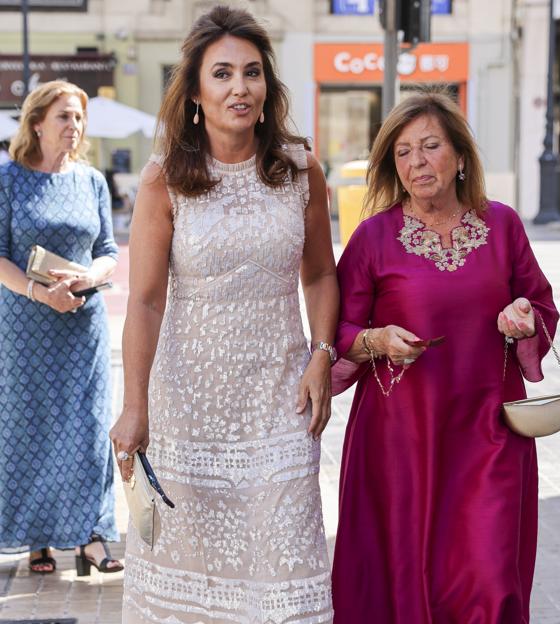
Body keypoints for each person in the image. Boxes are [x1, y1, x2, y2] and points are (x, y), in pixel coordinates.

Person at [109, 6, 338, 623]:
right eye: (223, 74)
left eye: (253, 73)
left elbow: (319, 274)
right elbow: (146, 301)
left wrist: (323, 354)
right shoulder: (165, 180)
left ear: (268, 88)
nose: (240, 87)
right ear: (195, 93)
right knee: (196, 573)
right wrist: (136, 405)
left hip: (280, 399)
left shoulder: (299, 169)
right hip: (189, 407)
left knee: (286, 564)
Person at [330, 89, 559, 623]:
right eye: (404, 152)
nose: (417, 163)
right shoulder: (373, 239)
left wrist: (524, 317)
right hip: (401, 438)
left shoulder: (502, 226)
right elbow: (337, 331)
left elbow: (540, 304)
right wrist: (378, 339)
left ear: (459, 155)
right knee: (408, 571)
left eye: (430, 146)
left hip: (491, 430)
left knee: (490, 570)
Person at [0, 80, 122, 575]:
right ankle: (38, 538)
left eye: (78, 118)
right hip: (24, 324)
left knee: (88, 427)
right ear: (36, 124)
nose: (74, 127)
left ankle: (91, 536)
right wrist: (39, 293)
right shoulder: (9, 179)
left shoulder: (91, 180)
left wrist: (91, 275)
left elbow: (109, 252)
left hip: (82, 323)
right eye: (64, 118)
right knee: (29, 426)